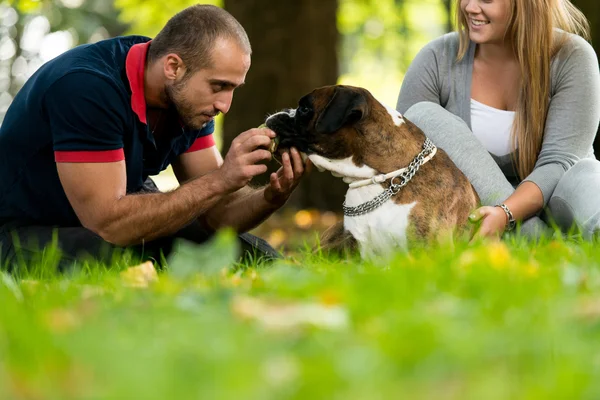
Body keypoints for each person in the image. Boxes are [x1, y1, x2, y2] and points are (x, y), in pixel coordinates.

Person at [0, 5, 307, 272]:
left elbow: (217, 215)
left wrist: (268, 197)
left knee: (248, 255)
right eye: (218, 87)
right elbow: (109, 223)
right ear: (173, 67)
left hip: (112, 221)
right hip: (21, 230)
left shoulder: (187, 99)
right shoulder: (86, 87)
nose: (224, 105)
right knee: (130, 256)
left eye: (232, 89)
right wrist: (220, 179)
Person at [396, 0, 600, 240]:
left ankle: (543, 241)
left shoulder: (572, 56)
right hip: (476, 207)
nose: (469, 7)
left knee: (586, 179)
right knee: (421, 116)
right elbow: (401, 161)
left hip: (560, 194)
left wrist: (505, 214)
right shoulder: (436, 59)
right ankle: (536, 240)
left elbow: (559, 162)